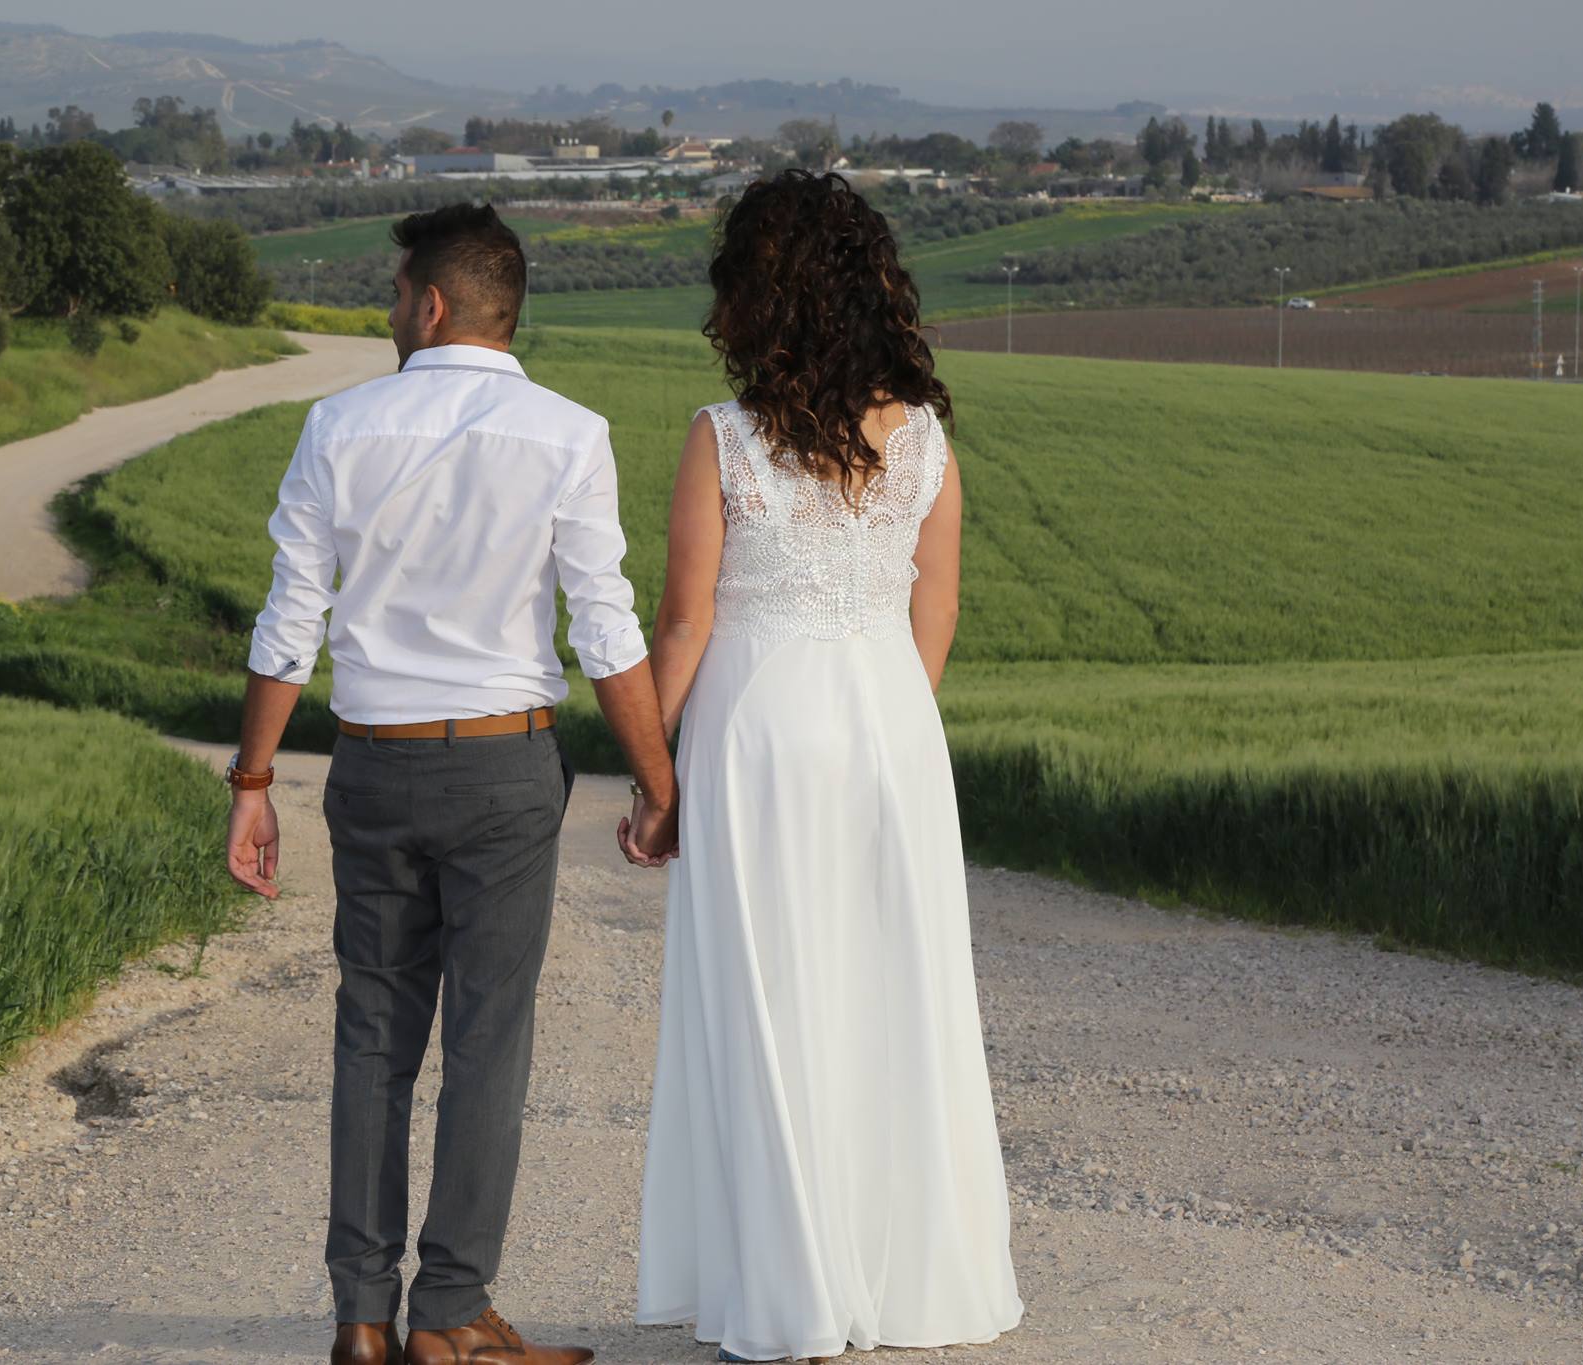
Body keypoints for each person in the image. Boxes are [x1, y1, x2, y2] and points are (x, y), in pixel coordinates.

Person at [225, 202, 680, 1365]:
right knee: (488, 1040)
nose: (388, 314)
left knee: (371, 1034)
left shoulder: (336, 425)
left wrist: (252, 781)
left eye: (393, 296)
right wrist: (653, 778)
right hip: (504, 769)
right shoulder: (569, 433)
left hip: (371, 766)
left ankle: (360, 1318)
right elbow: (605, 627)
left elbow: (290, 620)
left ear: (428, 305)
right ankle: (450, 1316)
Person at [633, 171, 1025, 1360]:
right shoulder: (925, 439)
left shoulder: (725, 437)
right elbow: (935, 604)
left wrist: (653, 779)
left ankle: (788, 1288)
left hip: (759, 726)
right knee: (890, 998)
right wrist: (892, 723)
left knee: (767, 999)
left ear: (757, 296)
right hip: (891, 724)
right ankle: (902, 1280)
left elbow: (686, 625)